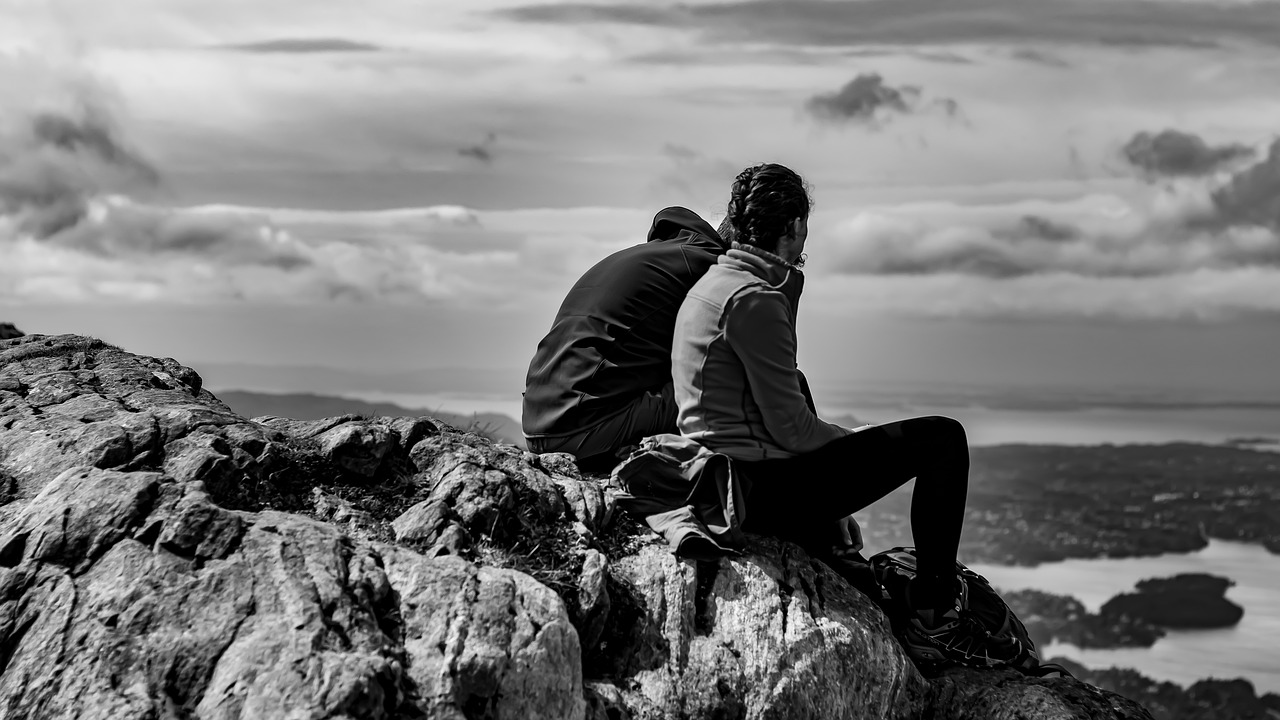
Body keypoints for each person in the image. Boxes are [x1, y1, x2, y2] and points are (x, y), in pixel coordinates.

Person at [669, 162, 1021, 665]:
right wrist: (854, 441)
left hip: (725, 476)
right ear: (793, 227)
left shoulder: (714, 285)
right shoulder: (755, 300)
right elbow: (791, 427)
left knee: (907, 439)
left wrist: (838, 492)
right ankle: (935, 613)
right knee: (943, 440)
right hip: (760, 487)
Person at [523, 207, 728, 471]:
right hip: (578, 430)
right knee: (729, 384)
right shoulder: (710, 271)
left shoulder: (650, 257)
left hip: (538, 422)